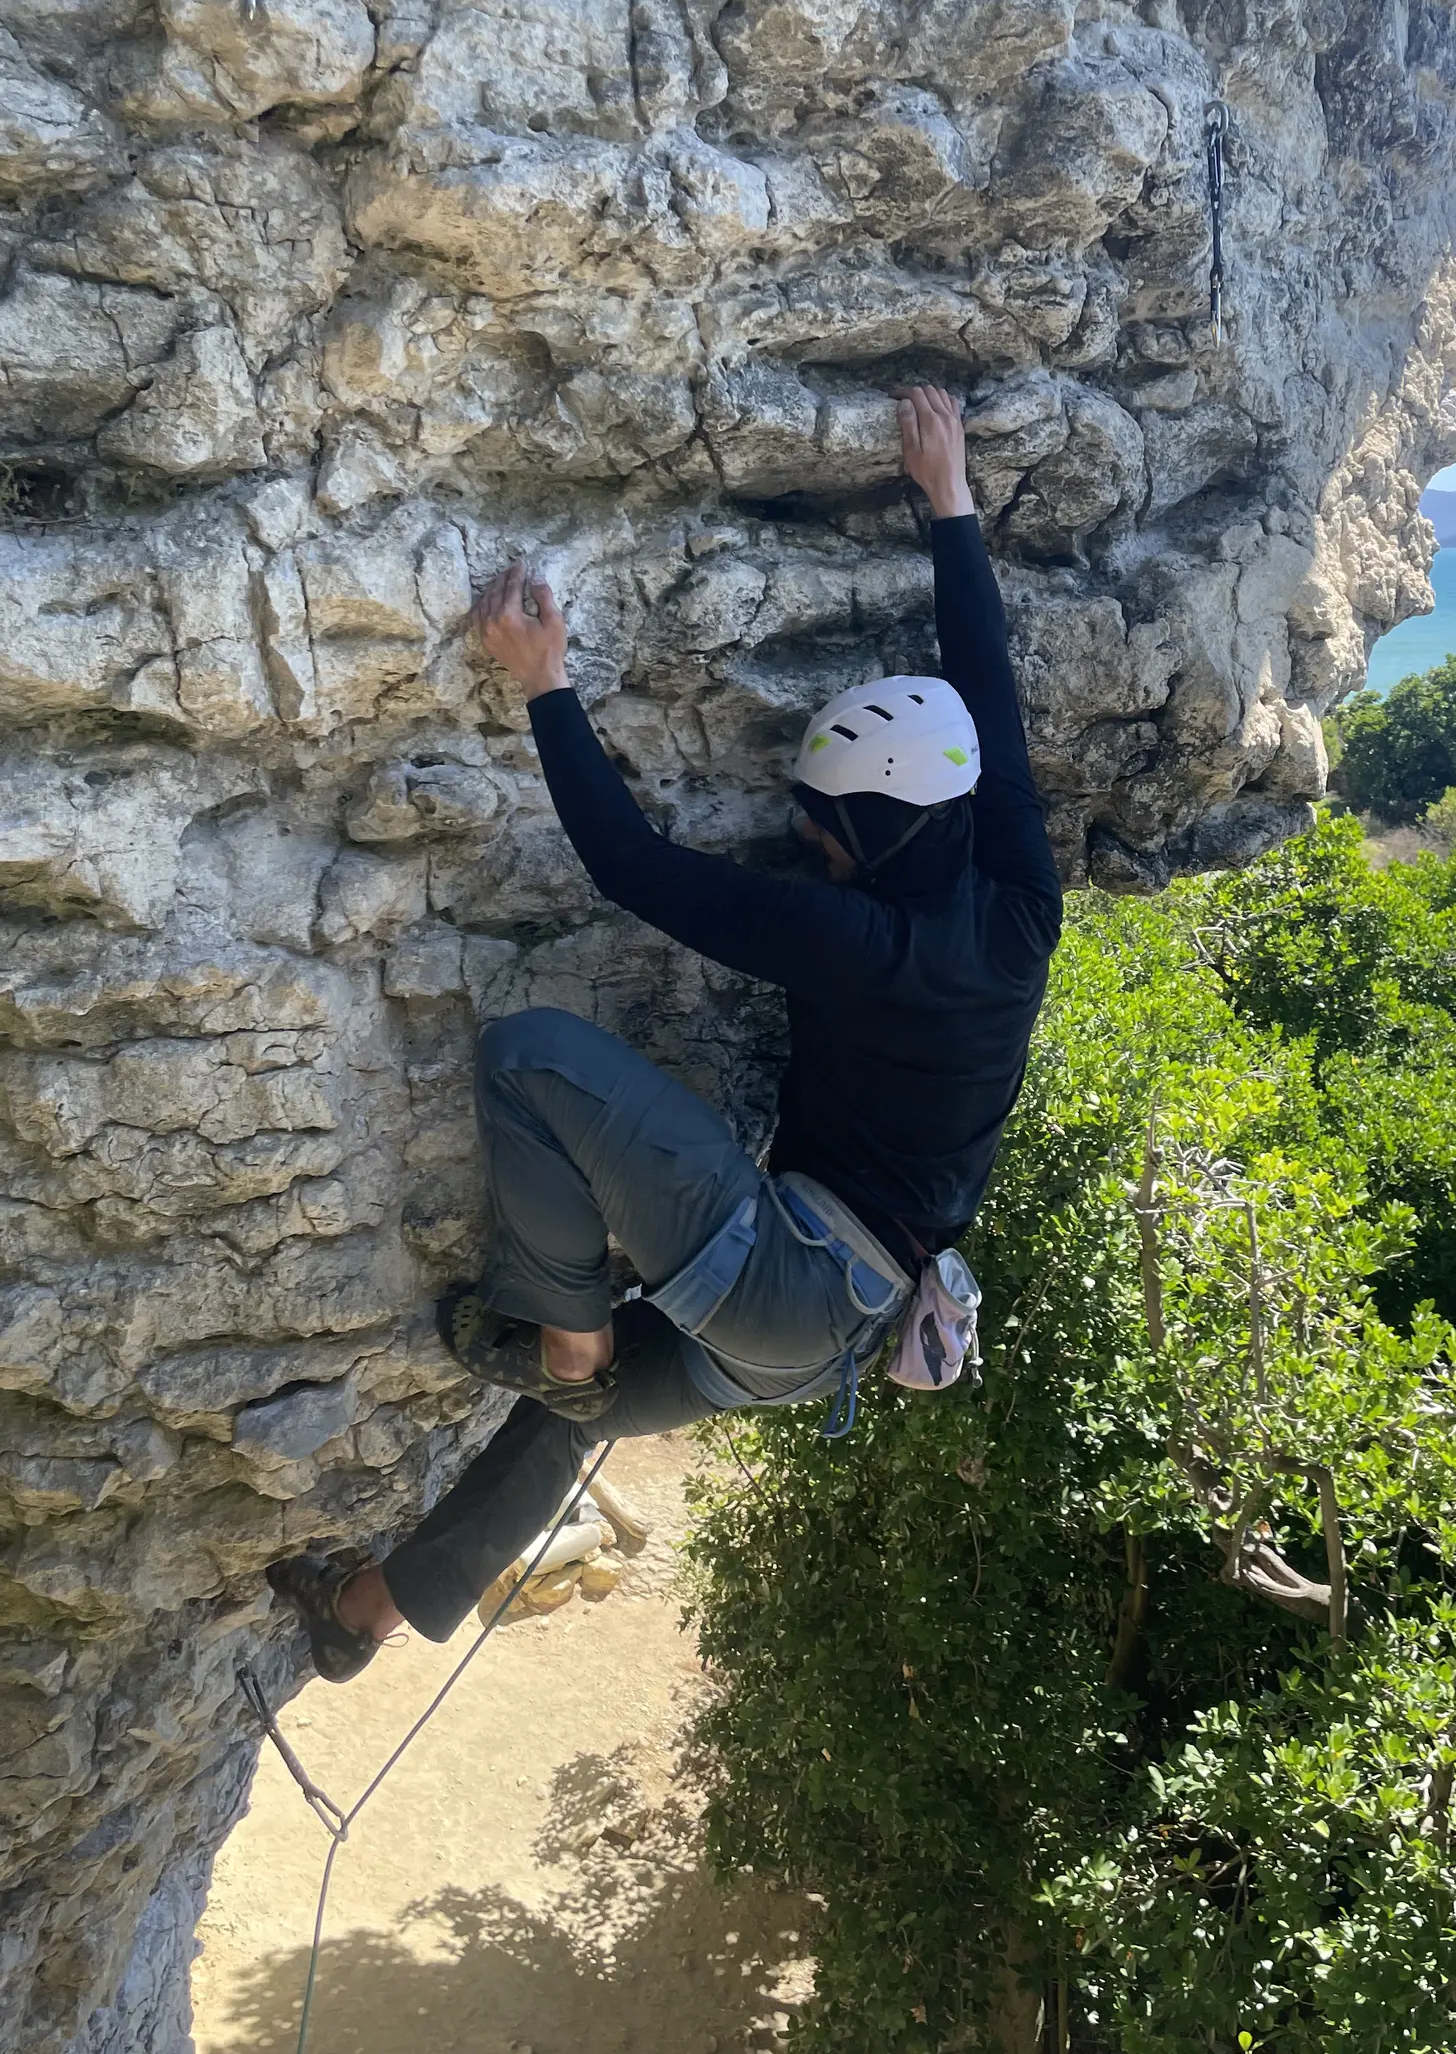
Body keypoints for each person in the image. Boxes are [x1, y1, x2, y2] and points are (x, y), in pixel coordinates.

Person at [269, 388, 1063, 1680]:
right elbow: (991, 702)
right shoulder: (1021, 898)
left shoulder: (858, 941)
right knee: (563, 1419)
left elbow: (630, 866)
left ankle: (572, 1334)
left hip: (790, 1282)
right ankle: (360, 1614)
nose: (806, 839)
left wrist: (546, 682)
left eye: (822, 825)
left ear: (876, 831)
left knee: (526, 1058)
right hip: (825, 1334)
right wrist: (949, 499)